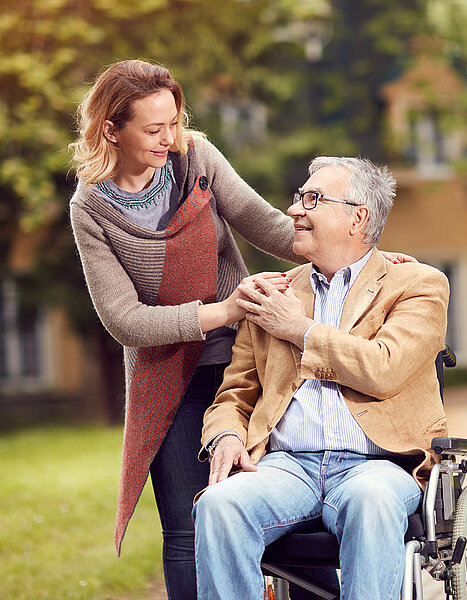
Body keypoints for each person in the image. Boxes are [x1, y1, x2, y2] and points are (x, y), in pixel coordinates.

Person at [68, 59, 411, 600]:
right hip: (169, 377)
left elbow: (267, 223)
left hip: (246, 356)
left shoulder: (195, 159)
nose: (168, 139)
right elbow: (124, 320)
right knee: (187, 525)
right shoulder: (91, 208)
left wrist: (360, 254)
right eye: (153, 130)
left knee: (295, 499)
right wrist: (223, 311)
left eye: (173, 123)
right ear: (112, 129)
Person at [192, 156, 449, 600]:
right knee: (218, 504)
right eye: (298, 198)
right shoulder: (274, 291)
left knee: (372, 502)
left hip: (377, 465)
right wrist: (226, 437)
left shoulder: (419, 285)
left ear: (358, 217)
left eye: (312, 199)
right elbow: (234, 395)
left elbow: (384, 367)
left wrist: (301, 330)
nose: (294, 210)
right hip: (286, 466)